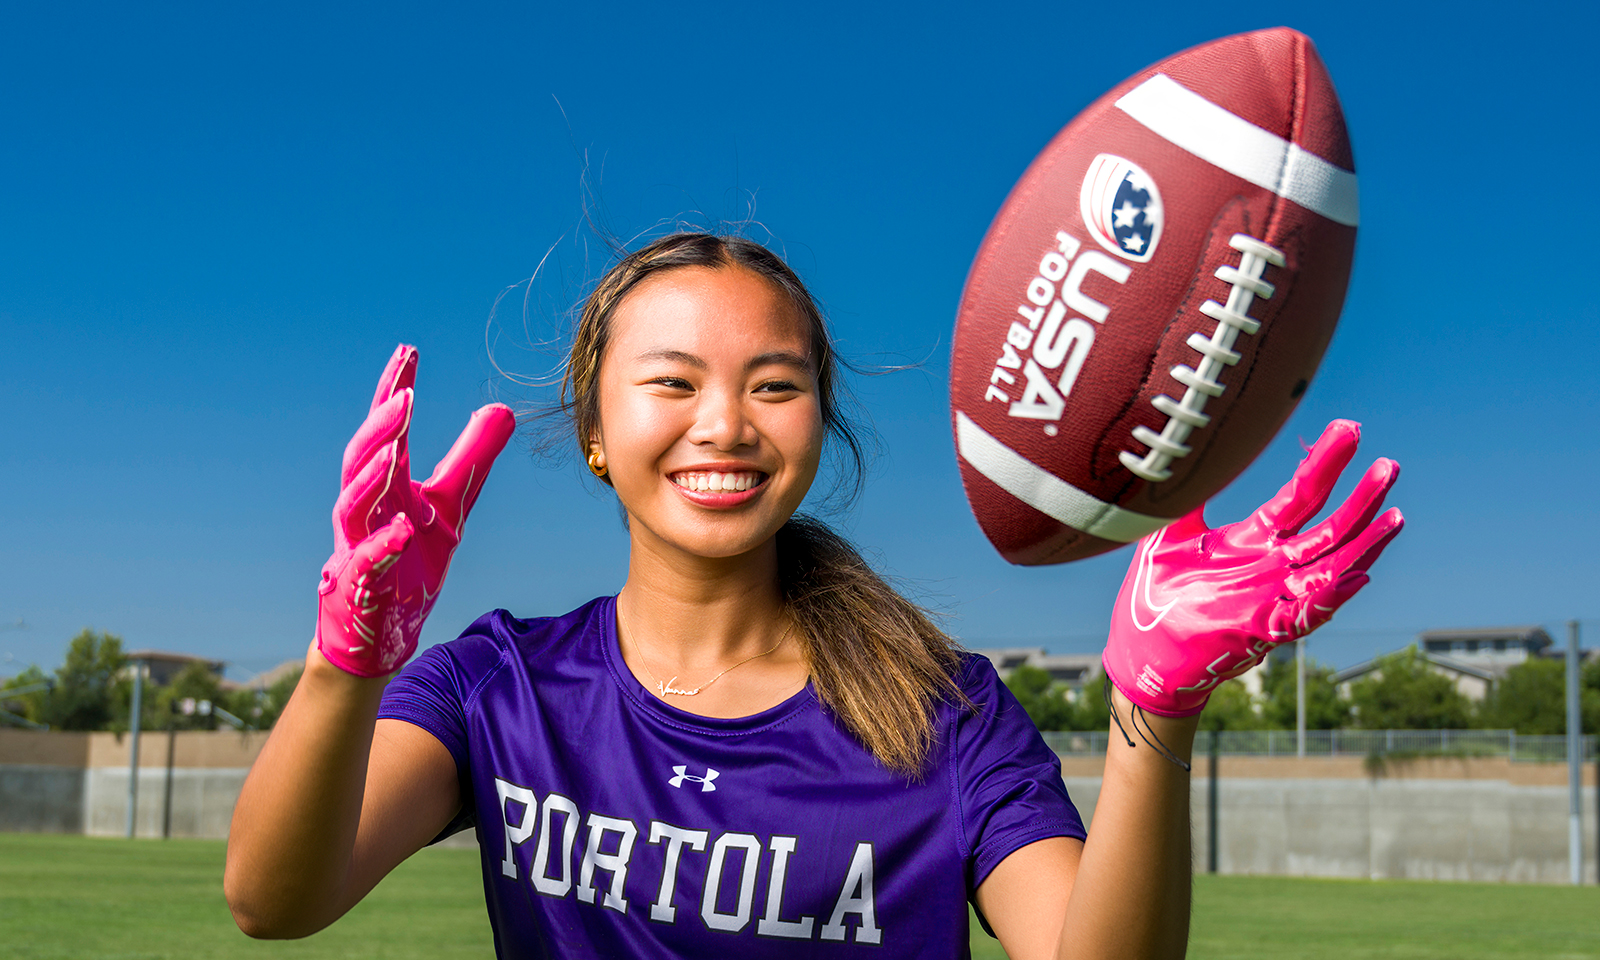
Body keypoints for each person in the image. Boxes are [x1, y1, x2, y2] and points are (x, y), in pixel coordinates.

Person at [223, 233, 1402, 959]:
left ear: (819, 426)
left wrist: (1155, 716)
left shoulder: (944, 715)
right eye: (671, 382)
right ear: (594, 430)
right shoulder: (500, 688)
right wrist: (348, 660)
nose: (724, 423)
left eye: (772, 386)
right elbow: (275, 901)